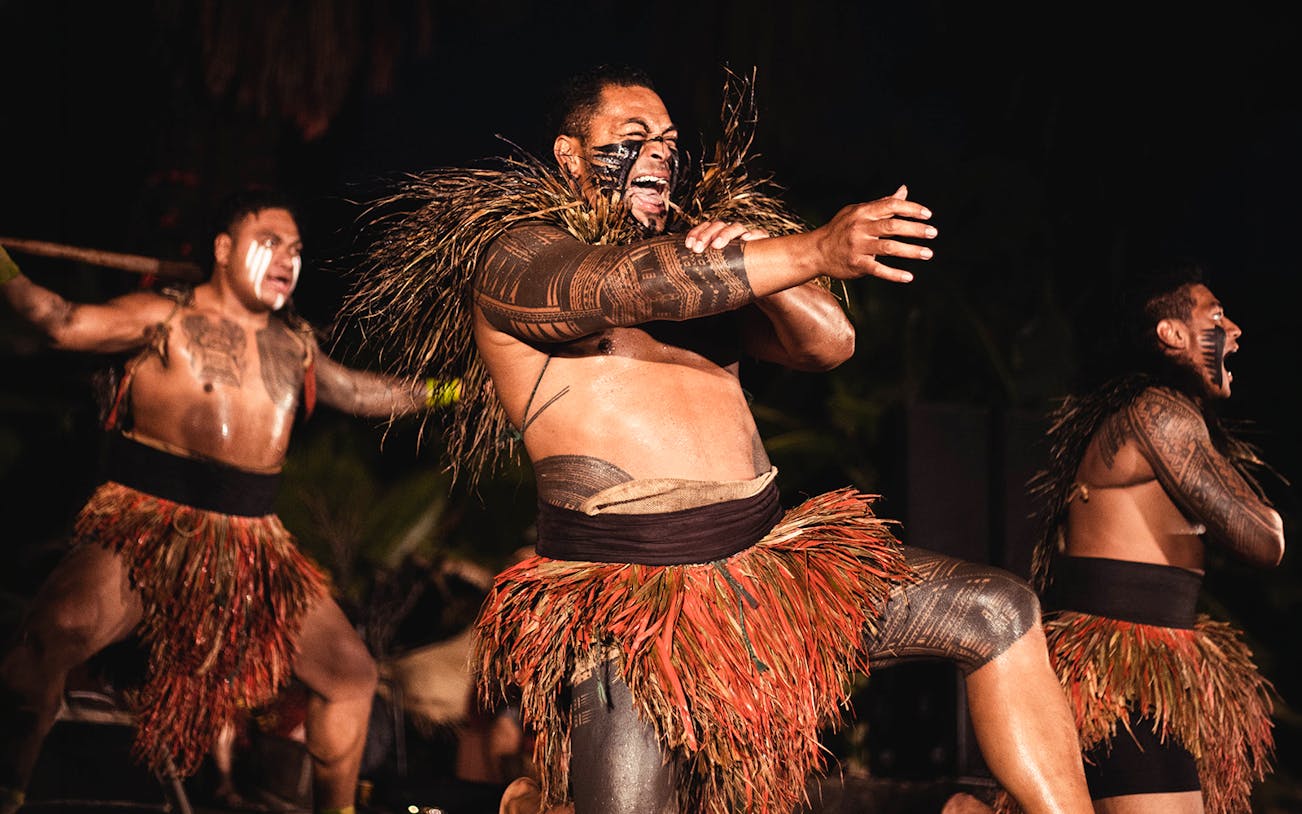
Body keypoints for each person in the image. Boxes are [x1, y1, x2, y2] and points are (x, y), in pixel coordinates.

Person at [340, 66, 1091, 814]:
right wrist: (813, 249)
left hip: (777, 571)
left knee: (999, 611)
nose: (660, 153)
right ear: (569, 156)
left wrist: (768, 257)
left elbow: (830, 344)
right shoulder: (515, 259)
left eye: (668, 141)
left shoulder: (703, 259)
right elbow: (623, 287)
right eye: (631, 139)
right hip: (637, 612)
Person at [0, 188, 453, 814]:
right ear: (223, 249)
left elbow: (359, 391)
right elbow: (60, 321)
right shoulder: (164, 318)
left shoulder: (294, 343)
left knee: (351, 678)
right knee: (44, 648)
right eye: (270, 243)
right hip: (149, 525)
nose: (288, 259)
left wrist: (455, 390)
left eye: (296, 249)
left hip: (255, 542)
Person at [990, 262, 1284, 814]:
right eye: (1216, 317)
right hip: (1130, 674)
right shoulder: (1160, 415)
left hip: (1134, 662)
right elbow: (1266, 540)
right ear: (1171, 334)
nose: (1236, 331)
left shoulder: (1156, 415)